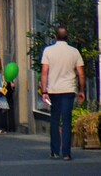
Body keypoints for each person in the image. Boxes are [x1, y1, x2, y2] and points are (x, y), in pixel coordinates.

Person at [40, 25, 85, 160]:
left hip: (54, 90)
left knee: (54, 120)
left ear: (55, 36)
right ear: (67, 37)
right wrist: (81, 90)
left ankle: (54, 151)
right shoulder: (74, 52)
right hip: (69, 89)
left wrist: (44, 91)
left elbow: (44, 72)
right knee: (66, 120)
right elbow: (81, 73)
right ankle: (66, 153)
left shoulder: (48, 51)